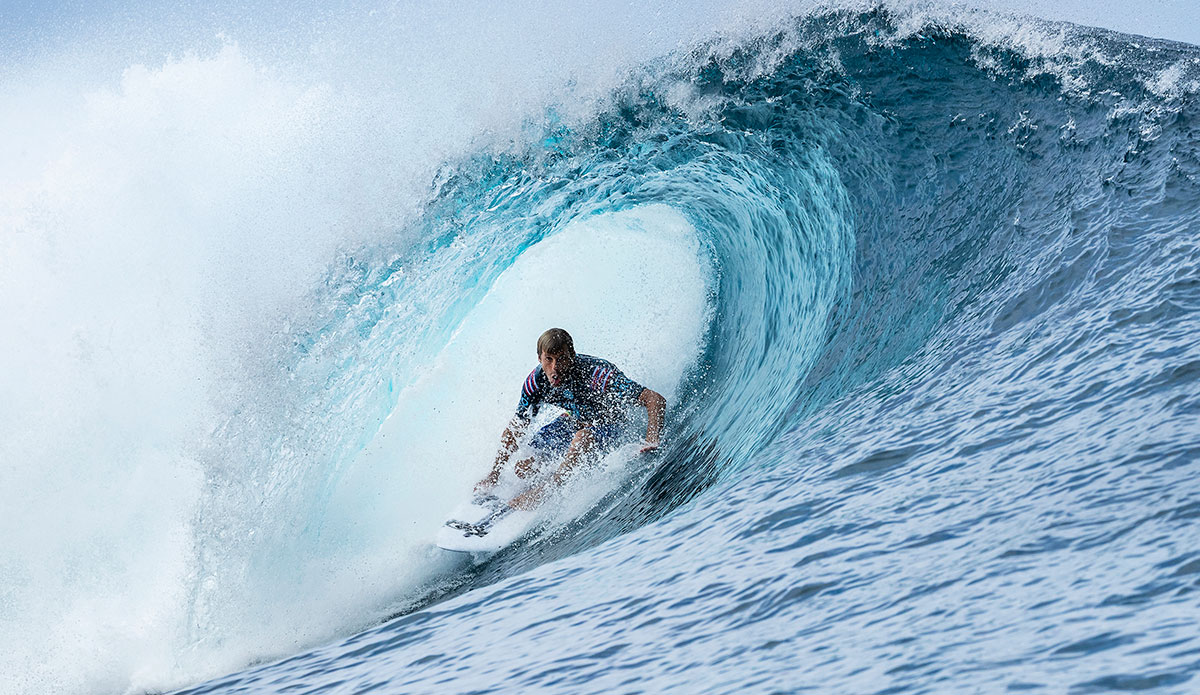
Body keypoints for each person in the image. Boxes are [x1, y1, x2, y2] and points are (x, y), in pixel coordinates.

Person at [475, 328, 666, 509]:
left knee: (581, 439)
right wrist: (494, 474)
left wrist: (651, 439)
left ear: (572, 356)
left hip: (612, 423)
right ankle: (552, 473)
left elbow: (654, 399)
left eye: (561, 359)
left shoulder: (596, 373)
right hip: (573, 420)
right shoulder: (536, 383)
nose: (555, 368)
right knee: (523, 467)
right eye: (548, 359)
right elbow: (517, 427)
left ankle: (549, 489)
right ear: (539, 358)